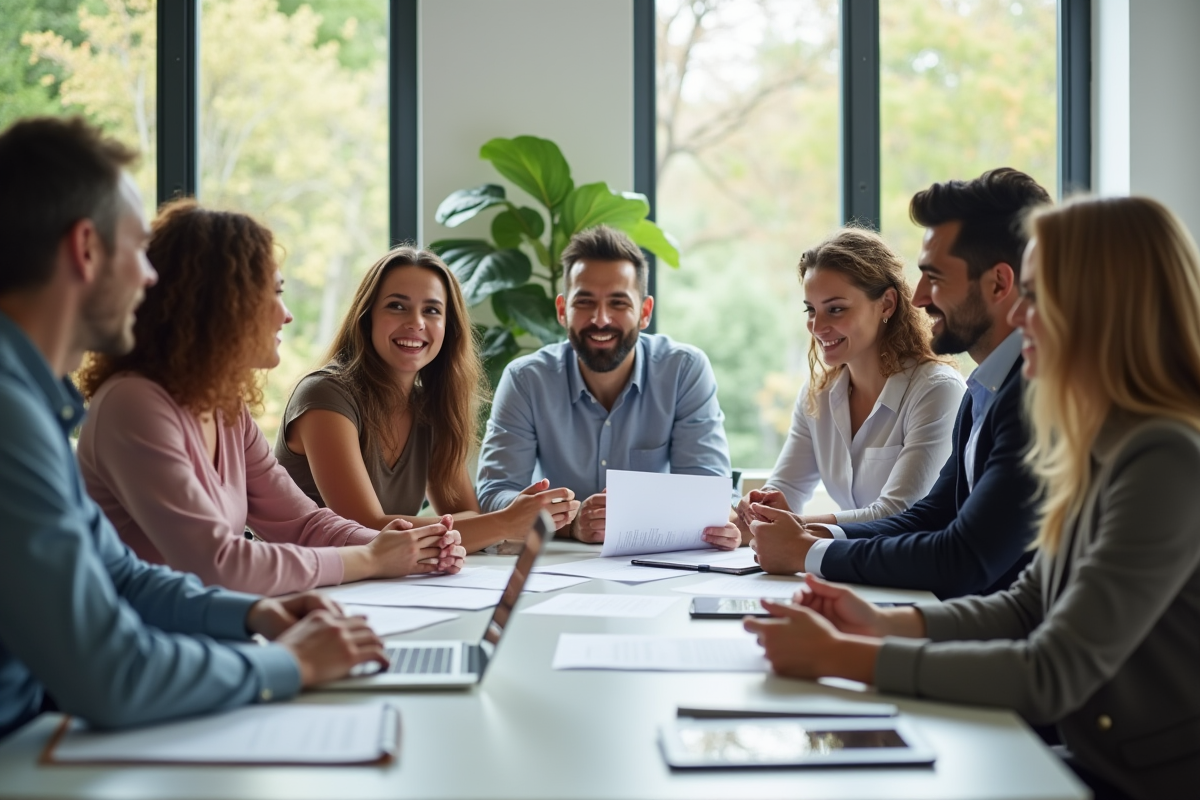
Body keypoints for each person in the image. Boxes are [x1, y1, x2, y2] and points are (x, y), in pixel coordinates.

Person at [746, 195, 1200, 800]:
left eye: (1038, 297)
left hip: (1138, 777)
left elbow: (1050, 671)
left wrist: (842, 657)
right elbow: (1026, 606)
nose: (1021, 315)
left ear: (1104, 306)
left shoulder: (1165, 456)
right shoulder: (1098, 437)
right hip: (1090, 751)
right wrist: (880, 623)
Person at [0, 116, 386, 739]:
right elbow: (111, 675)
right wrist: (290, 664)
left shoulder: (32, 403)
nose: (151, 277)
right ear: (85, 249)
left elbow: (120, 575)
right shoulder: (14, 416)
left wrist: (251, 615)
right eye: (137, 250)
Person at [76, 200, 465, 597]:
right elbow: (218, 563)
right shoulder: (133, 404)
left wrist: (405, 545)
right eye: (272, 294)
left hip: (205, 622)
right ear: (216, 303)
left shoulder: (225, 407)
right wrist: (372, 558)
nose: (286, 314)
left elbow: (304, 523)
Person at [751, 167, 1049, 598]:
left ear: (1000, 283)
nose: (919, 296)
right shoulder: (982, 391)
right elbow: (929, 517)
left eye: (936, 277)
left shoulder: (1034, 397)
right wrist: (805, 537)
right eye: (810, 310)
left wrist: (807, 552)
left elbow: (963, 557)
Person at [275, 247, 579, 553]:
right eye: (397, 306)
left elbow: (468, 513)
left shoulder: (429, 409)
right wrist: (503, 523)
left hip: (378, 576)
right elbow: (364, 528)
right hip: (298, 575)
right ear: (367, 319)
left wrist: (495, 523)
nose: (416, 322)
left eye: (432, 310)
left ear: (448, 328)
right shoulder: (324, 394)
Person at [475, 225, 737, 547]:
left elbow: (708, 497)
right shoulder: (526, 380)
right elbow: (494, 495)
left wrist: (624, 520)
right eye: (585, 302)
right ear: (562, 310)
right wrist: (572, 525)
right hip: (556, 563)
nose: (601, 319)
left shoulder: (684, 370)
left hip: (655, 563)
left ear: (644, 312)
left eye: (618, 303)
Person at [731, 227, 964, 542]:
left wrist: (793, 527)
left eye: (836, 309)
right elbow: (787, 488)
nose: (817, 326)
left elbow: (899, 511)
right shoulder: (816, 395)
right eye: (811, 310)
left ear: (887, 304)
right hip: (850, 564)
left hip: (918, 568)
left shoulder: (937, 390)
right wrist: (756, 512)